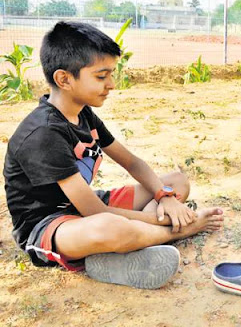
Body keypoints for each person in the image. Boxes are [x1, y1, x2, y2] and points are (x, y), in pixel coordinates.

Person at [3, 21, 224, 289]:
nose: (112, 84)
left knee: (177, 182)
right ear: (64, 79)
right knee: (112, 227)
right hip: (49, 227)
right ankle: (171, 232)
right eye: (101, 76)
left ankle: (124, 247)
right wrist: (164, 219)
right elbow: (96, 212)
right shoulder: (43, 133)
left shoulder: (83, 113)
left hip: (86, 207)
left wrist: (164, 197)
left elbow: (131, 162)